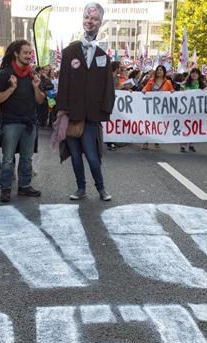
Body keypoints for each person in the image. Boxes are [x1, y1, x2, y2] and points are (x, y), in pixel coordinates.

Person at [56, 2, 115, 201]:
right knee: (74, 155)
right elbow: (63, 82)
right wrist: (61, 110)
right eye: (87, 17)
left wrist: (105, 110)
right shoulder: (69, 52)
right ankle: (81, 189)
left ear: (100, 23)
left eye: (94, 18)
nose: (89, 21)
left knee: (92, 155)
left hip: (91, 116)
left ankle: (101, 188)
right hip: (71, 114)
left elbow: (109, 87)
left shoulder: (103, 56)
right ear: (83, 19)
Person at [0, 40, 45, 203]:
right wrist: (11, 88)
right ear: (16, 54)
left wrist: (36, 87)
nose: (29, 56)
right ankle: (6, 188)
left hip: (29, 122)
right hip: (11, 122)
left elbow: (40, 100)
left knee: (27, 158)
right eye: (26, 53)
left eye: (30, 53)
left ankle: (24, 186)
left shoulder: (32, 74)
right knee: (8, 158)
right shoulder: (4, 74)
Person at [141, 64, 173, 150]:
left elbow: (171, 92)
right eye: (158, 70)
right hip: (151, 107)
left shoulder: (168, 82)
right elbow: (145, 89)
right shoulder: (151, 81)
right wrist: (144, 90)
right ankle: (146, 141)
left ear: (164, 72)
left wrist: (172, 92)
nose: (159, 71)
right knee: (149, 124)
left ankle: (157, 141)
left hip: (162, 108)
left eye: (161, 70)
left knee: (159, 124)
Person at [180, 67, 206, 153]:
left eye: (196, 73)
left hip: (197, 110)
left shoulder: (202, 85)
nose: (194, 74)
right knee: (185, 126)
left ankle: (191, 144)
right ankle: (183, 145)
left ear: (199, 75)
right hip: (186, 109)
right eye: (192, 72)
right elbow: (179, 95)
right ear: (190, 74)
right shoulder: (184, 84)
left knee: (194, 127)